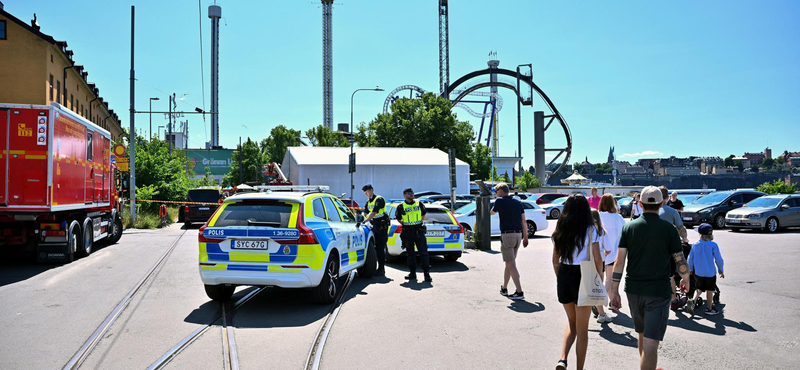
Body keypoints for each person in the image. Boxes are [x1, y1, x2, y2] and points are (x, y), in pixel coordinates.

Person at [609, 186, 691, 370]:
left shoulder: (629, 227)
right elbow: (680, 260)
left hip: (634, 290)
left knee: (642, 334)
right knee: (651, 342)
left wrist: (614, 290)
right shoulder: (669, 229)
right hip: (658, 291)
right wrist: (686, 279)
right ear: (662, 203)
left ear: (640, 204)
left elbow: (619, 261)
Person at [551, 195, 603, 370]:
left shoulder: (561, 228)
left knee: (571, 323)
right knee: (582, 329)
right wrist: (599, 278)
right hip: (584, 274)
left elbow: (554, 259)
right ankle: (579, 368)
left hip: (565, 274)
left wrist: (560, 276)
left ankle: (562, 359)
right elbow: (597, 258)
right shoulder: (590, 229)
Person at [491, 182, 529, 300]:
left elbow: (492, 212)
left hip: (507, 235)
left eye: (496, 191)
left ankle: (519, 291)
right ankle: (504, 288)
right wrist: (526, 237)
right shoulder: (518, 202)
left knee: (511, 263)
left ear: (501, 191)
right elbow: (524, 221)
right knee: (509, 263)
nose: (496, 194)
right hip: (518, 235)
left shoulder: (500, 201)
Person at [594, 194, 626, 324]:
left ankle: (611, 302)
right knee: (609, 279)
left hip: (599, 253)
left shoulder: (597, 216)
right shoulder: (618, 218)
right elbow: (625, 232)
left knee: (602, 278)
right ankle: (597, 300)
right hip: (614, 252)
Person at [658, 186, 690, 306]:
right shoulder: (672, 212)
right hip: (669, 248)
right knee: (670, 275)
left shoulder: (649, 211)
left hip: (653, 248)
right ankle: (673, 300)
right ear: (667, 198)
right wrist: (684, 238)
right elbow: (681, 229)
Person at [394, 188, 432, 282]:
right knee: (410, 254)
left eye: (412, 193)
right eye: (409, 193)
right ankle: (412, 273)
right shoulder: (400, 206)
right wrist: (406, 224)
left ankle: (426, 274)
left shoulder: (419, 204)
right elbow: (399, 218)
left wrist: (416, 223)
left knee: (423, 253)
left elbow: (423, 215)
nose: (411, 194)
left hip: (418, 231)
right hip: (408, 233)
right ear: (404, 195)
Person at [687, 223, 725, 316]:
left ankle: (693, 301)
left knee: (699, 288)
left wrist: (690, 269)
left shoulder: (695, 245)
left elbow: (690, 258)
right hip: (710, 272)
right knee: (710, 290)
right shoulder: (713, 245)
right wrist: (721, 270)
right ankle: (709, 308)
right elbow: (718, 259)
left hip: (699, 272)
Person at [362, 184, 389, 276]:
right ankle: (378, 268)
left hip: (382, 226)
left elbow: (373, 212)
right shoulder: (368, 202)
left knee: (380, 248)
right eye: (364, 192)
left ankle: (381, 269)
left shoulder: (379, 199)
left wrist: (365, 220)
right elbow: (365, 212)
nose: (366, 193)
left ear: (372, 190)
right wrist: (361, 217)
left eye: (367, 191)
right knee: (376, 248)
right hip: (375, 226)